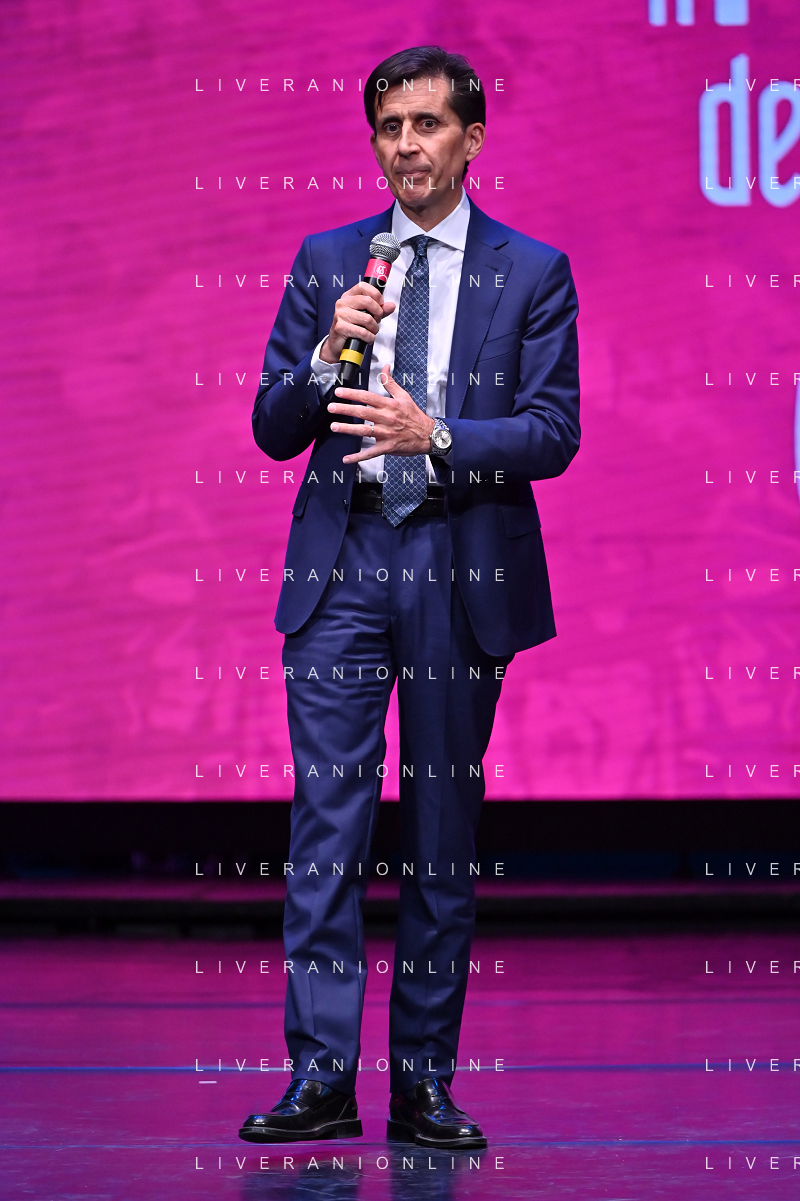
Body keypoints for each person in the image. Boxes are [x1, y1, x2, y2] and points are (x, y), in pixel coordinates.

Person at [239, 45, 580, 1150]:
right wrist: (325, 355)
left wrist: (434, 436)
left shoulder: (531, 271)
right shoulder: (330, 259)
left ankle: (424, 1083)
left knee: (439, 833)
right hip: (342, 562)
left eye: (426, 124)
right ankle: (320, 1076)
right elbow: (272, 426)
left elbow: (552, 432)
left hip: (454, 557)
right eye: (389, 126)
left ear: (470, 139)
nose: (405, 145)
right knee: (325, 828)